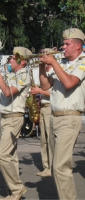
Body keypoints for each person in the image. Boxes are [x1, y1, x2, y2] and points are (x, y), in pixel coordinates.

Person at [39, 28, 85, 200]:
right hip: (55, 117)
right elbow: (45, 86)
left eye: (67, 44)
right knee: (55, 166)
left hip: (69, 117)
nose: (63, 47)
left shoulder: (83, 62)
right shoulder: (63, 63)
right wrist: (42, 67)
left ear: (78, 46)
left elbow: (69, 83)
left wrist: (54, 62)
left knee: (61, 167)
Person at [0, 47, 31, 200]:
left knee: (2, 154)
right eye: (10, 57)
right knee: (10, 155)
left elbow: (7, 92)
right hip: (5, 117)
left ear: (22, 62)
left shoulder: (24, 74)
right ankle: (13, 192)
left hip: (14, 117)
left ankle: (17, 189)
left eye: (13, 58)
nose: (10, 60)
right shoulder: (11, 74)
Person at [30, 48, 55, 177]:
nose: (42, 56)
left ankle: (52, 166)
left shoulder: (57, 71)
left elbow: (55, 94)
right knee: (43, 139)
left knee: (51, 139)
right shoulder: (44, 72)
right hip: (44, 107)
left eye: (45, 54)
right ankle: (46, 166)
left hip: (52, 107)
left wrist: (40, 92)